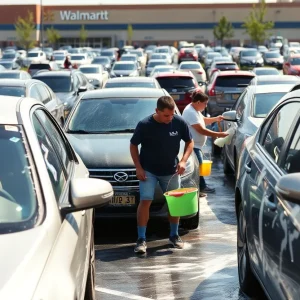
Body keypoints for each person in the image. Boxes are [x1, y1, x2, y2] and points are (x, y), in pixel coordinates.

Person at [130, 96, 194, 254]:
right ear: (156, 111)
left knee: (175, 203)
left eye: (172, 115)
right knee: (146, 200)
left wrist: (184, 161)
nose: (169, 118)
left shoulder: (179, 122)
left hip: (171, 171)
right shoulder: (145, 125)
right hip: (148, 171)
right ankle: (141, 239)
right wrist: (138, 168)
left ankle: (174, 235)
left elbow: (190, 142)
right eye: (166, 115)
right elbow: (133, 145)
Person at [182, 90, 228, 196]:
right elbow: (201, 130)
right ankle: (201, 188)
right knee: (197, 167)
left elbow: (203, 120)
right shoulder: (190, 112)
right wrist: (219, 134)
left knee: (199, 166)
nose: (206, 105)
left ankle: (200, 188)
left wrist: (216, 119)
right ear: (198, 102)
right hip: (193, 146)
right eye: (205, 103)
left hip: (197, 145)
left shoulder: (195, 109)